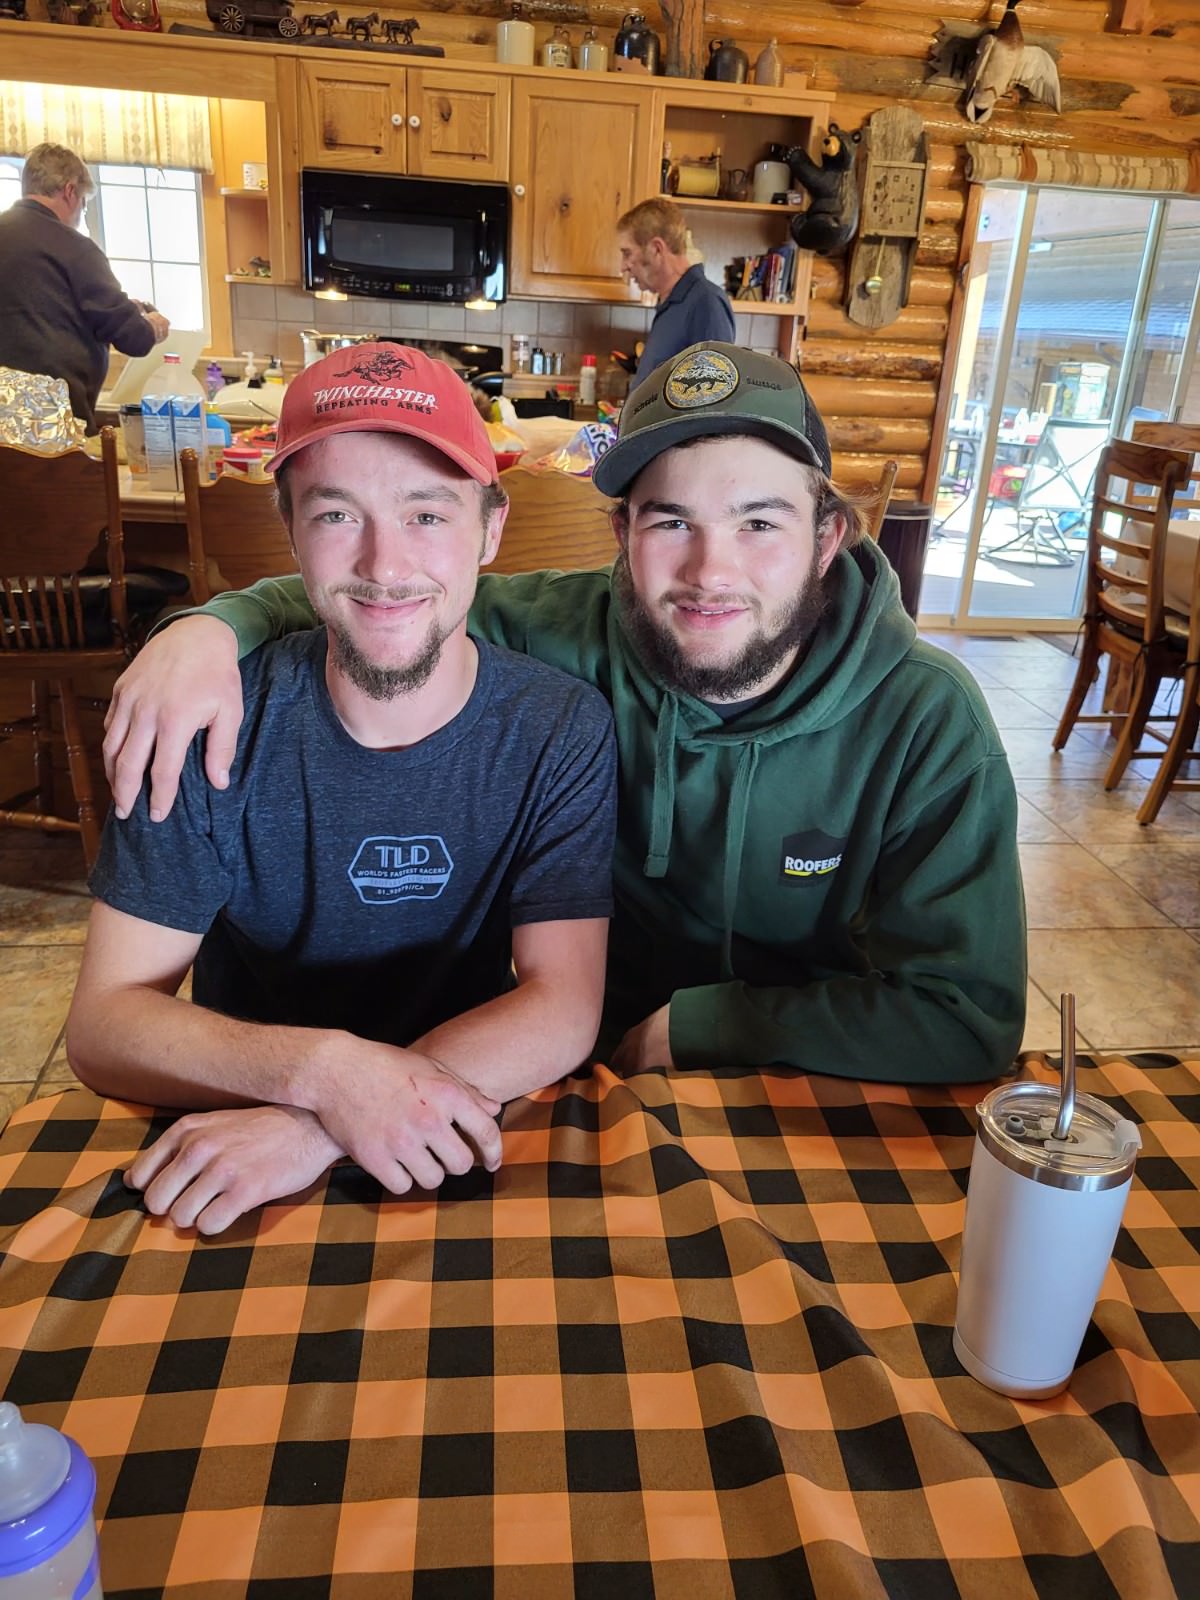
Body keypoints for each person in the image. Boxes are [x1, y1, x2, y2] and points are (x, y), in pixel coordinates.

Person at [102, 341, 1027, 1088]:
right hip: (562, 1072)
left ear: (828, 538)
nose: (711, 573)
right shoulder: (561, 630)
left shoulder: (926, 719)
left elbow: (967, 1015)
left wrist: (708, 1025)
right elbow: (387, 604)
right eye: (670, 523)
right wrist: (208, 628)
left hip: (802, 1074)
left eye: (759, 524)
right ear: (621, 536)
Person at [68, 342, 617, 1235]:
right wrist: (326, 1077)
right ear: (289, 532)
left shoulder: (559, 727)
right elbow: (104, 1026)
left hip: (443, 1130)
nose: (386, 563)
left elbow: (562, 1002)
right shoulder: (203, 719)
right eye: (336, 513)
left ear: (491, 529)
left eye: (427, 514)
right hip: (228, 1143)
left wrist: (316, 1123)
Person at [0, 143, 170, 432]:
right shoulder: (74, 248)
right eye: (83, 203)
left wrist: (125, 310)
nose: (81, 214)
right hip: (52, 421)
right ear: (70, 191)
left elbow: (41, 309)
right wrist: (153, 325)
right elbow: (132, 338)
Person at [617, 197, 736, 385]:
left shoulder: (706, 303)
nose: (623, 267)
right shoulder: (670, 302)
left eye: (627, 253)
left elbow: (713, 399)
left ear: (656, 249)